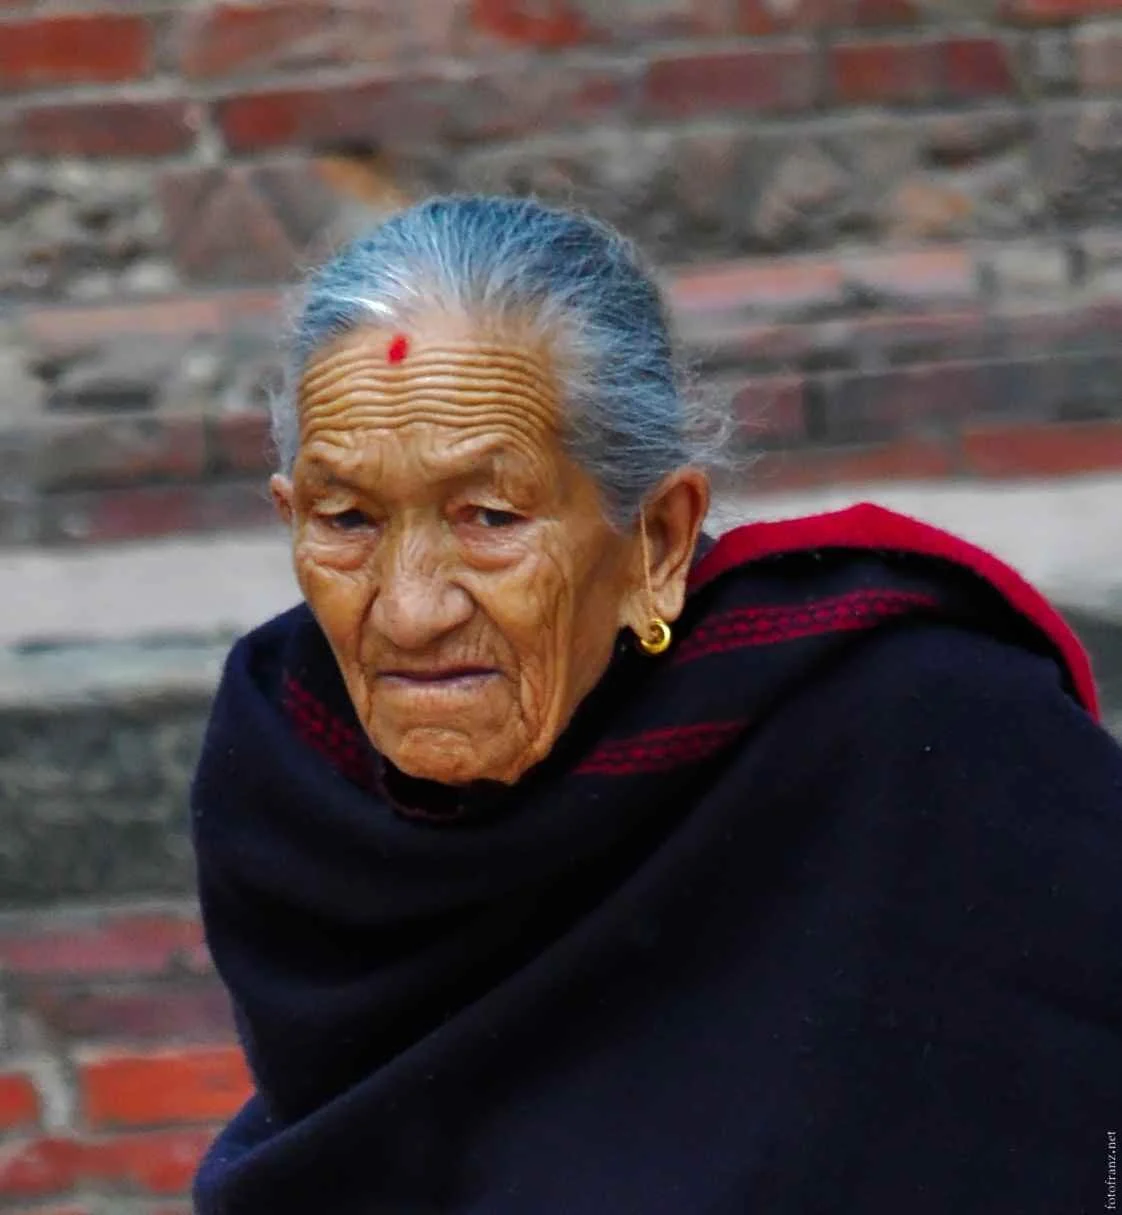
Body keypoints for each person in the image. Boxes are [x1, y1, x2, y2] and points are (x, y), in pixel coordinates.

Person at [191, 196, 1122, 1214]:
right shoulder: (291, 771)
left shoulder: (926, 733)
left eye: (490, 516)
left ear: (659, 543)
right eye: (348, 519)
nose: (410, 611)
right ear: (290, 518)